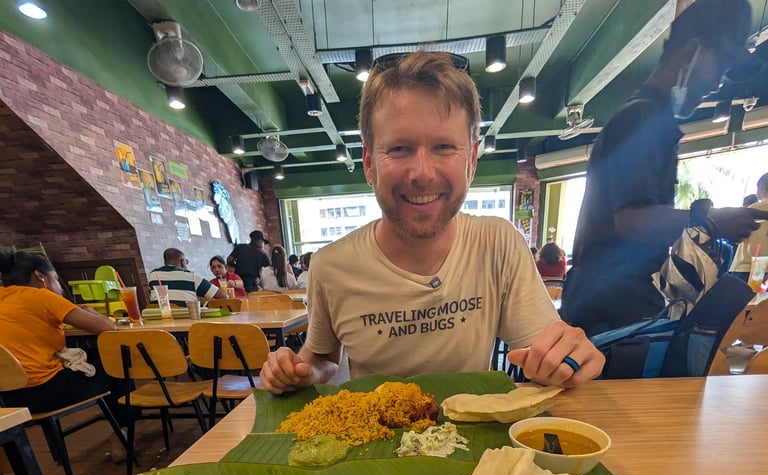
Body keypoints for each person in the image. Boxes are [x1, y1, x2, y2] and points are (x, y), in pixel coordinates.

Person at [259, 51, 604, 393]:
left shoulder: (498, 243)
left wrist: (567, 359)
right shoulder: (330, 265)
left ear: (471, 159)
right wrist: (297, 371)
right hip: (373, 443)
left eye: (443, 146)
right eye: (399, 149)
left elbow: (542, 360)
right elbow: (323, 359)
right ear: (368, 163)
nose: (422, 173)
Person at [560, 0, 768, 337]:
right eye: (721, 66)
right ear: (693, 51)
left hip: (606, 301)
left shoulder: (647, 117)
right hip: (608, 306)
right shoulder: (643, 120)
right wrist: (711, 220)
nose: (719, 83)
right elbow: (630, 221)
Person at [0, 249, 130, 428]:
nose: (60, 287)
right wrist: (92, 312)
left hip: (7, 398)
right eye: (56, 278)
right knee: (117, 358)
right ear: (40, 276)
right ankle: (125, 429)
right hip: (44, 392)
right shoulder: (42, 296)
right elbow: (109, 329)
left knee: (96, 356)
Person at [150, 248, 222, 306]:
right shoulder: (191, 276)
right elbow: (223, 296)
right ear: (182, 262)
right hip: (189, 321)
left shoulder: (153, 275)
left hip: (159, 322)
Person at [730, 173, 768, 282]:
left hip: (749, 266)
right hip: (760, 266)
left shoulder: (753, 210)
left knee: (748, 298)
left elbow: (736, 238)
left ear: (761, 188)